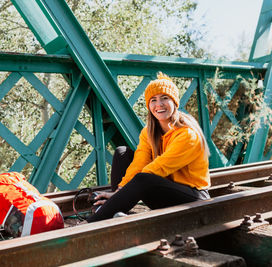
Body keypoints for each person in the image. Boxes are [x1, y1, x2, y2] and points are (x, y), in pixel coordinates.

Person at [86, 72, 211, 223]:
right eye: (153, 100)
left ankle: (92, 222)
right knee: (122, 153)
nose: (159, 104)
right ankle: (115, 209)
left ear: (175, 102)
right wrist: (120, 191)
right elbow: (140, 161)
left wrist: (121, 193)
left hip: (193, 197)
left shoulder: (188, 134)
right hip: (164, 192)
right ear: (148, 105)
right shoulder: (149, 132)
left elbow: (160, 167)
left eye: (165, 98)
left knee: (144, 178)